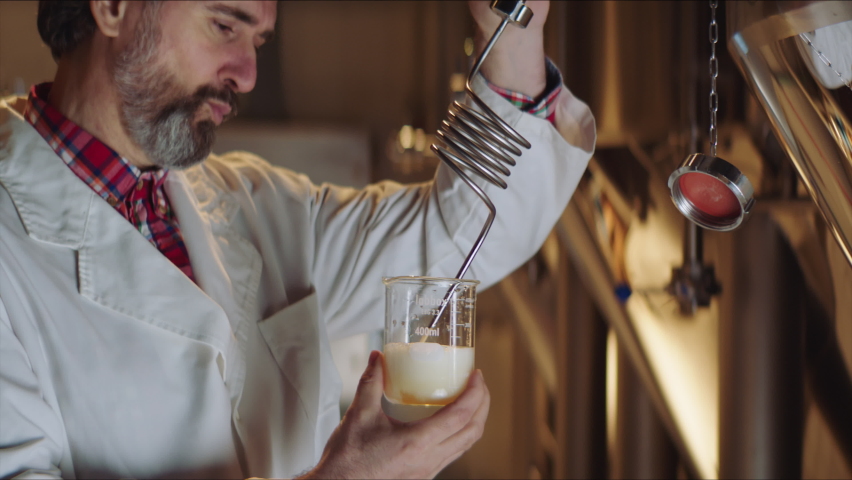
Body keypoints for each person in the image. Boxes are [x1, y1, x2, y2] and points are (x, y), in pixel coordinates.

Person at [0, 1, 594, 478]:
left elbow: (465, 234)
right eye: (224, 23)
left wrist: (513, 26)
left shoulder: (256, 207)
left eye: (257, 41)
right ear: (111, 8)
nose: (248, 73)